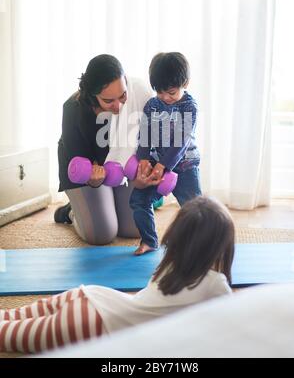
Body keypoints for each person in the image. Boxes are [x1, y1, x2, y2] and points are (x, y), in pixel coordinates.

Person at [0, 196, 235, 354]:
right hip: (95, 324)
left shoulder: (168, 267)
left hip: (92, 297)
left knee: (8, 317)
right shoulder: (217, 285)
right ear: (219, 246)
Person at [55, 54, 160, 245]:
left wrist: (146, 169)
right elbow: (79, 167)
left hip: (119, 168)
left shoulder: (139, 92)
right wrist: (93, 181)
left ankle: (106, 202)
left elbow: (148, 138)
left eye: (122, 96)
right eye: (109, 101)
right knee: (101, 234)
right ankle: (71, 211)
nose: (118, 105)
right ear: (93, 96)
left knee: (136, 228)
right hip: (86, 171)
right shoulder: (73, 110)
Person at [130, 52, 201, 255]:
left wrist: (163, 165)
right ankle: (150, 241)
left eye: (171, 92)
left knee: (195, 210)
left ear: (185, 83)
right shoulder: (152, 105)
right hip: (157, 162)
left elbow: (181, 141)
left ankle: (200, 245)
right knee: (138, 200)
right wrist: (144, 159)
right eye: (160, 92)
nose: (166, 98)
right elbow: (144, 135)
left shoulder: (189, 106)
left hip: (186, 166)